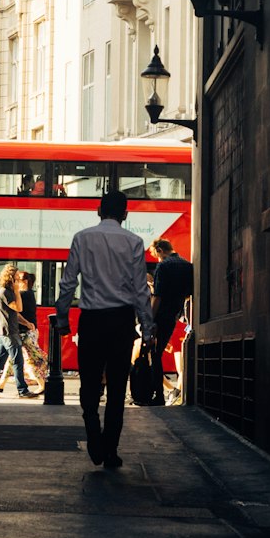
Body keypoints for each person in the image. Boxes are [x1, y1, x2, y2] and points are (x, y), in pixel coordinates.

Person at [55, 190, 154, 470]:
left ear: (99, 211)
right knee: (117, 388)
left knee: (89, 383)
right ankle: (110, 449)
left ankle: (93, 435)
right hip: (122, 322)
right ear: (125, 213)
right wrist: (147, 330)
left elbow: (68, 283)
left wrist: (63, 318)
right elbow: (140, 291)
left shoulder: (82, 238)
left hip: (92, 321)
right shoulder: (134, 242)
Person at [149, 238, 194, 407]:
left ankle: (158, 396)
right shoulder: (187, 265)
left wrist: (150, 319)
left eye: (155, 254)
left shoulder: (163, 266)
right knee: (158, 352)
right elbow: (188, 292)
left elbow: (158, 296)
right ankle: (160, 394)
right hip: (175, 314)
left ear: (160, 250)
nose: (157, 258)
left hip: (161, 315)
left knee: (155, 354)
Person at [0, 264, 35, 398]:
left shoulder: (7, 291)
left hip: (7, 332)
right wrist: (17, 291)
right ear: (10, 278)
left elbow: (16, 313)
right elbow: (19, 307)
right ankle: (23, 390)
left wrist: (27, 323)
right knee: (18, 362)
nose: (18, 280)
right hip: (9, 332)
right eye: (16, 277)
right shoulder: (5, 292)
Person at [0, 270, 47, 393]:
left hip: (26, 332)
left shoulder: (23, 294)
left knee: (30, 359)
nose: (16, 282)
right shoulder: (29, 293)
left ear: (25, 282)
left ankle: (42, 385)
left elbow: (17, 310)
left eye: (19, 279)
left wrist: (15, 292)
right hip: (24, 332)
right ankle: (1, 383)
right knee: (13, 359)